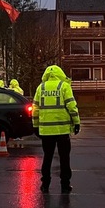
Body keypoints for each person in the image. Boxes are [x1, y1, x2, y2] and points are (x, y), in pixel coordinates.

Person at [32, 65, 80, 194]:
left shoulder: (40, 88)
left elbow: (35, 109)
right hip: (62, 130)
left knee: (47, 157)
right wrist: (76, 123)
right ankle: (65, 185)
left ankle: (45, 184)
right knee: (64, 158)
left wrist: (35, 126)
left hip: (46, 131)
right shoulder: (64, 86)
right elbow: (72, 106)